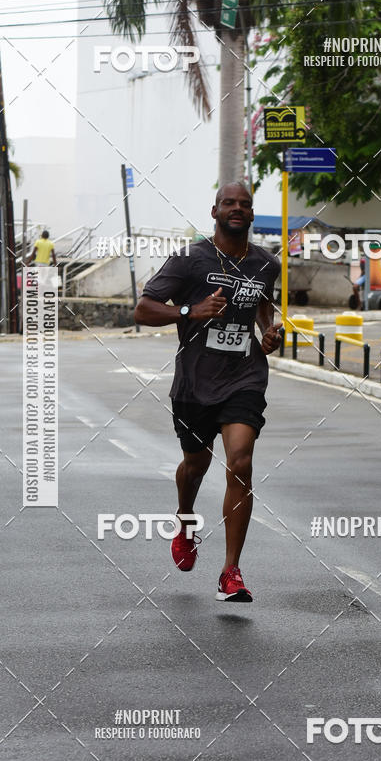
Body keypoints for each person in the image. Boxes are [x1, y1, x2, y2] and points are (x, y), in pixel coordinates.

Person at [134, 182, 282, 602]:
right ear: (214, 210)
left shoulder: (266, 263)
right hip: (195, 383)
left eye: (245, 204)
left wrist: (268, 331)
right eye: (229, 203)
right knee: (195, 465)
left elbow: (263, 303)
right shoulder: (189, 259)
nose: (237, 209)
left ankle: (230, 572)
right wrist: (189, 310)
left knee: (241, 462)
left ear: (251, 214)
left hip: (244, 377)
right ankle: (185, 519)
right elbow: (143, 309)